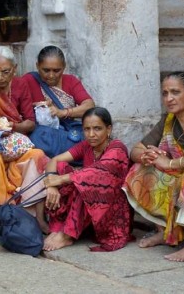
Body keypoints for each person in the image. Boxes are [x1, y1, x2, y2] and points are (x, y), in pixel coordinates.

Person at [0, 46, 49, 243]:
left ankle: (33, 215)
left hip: (13, 143)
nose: (0, 77)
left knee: (38, 155)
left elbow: (30, 122)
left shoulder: (20, 85)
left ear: (14, 69)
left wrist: (13, 126)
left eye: (5, 72)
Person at [123, 71, 184, 262]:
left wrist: (172, 163)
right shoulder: (168, 120)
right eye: (165, 93)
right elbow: (135, 149)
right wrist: (147, 156)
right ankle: (165, 231)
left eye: (175, 92)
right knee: (140, 171)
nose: (169, 98)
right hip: (181, 178)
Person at [43, 107, 132, 251]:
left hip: (110, 212)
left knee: (84, 181)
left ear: (108, 129)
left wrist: (60, 180)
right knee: (62, 167)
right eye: (86, 129)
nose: (91, 134)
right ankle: (59, 227)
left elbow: (97, 173)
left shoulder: (117, 148)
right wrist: (51, 185)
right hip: (87, 209)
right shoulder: (86, 146)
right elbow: (55, 160)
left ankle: (67, 235)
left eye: (97, 129)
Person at [22, 45, 95, 156]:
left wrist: (62, 112)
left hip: (66, 137)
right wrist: (36, 108)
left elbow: (89, 106)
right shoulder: (28, 81)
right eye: (46, 70)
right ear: (37, 66)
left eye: (56, 71)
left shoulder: (71, 81)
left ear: (64, 67)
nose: (51, 75)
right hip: (40, 140)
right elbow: (17, 108)